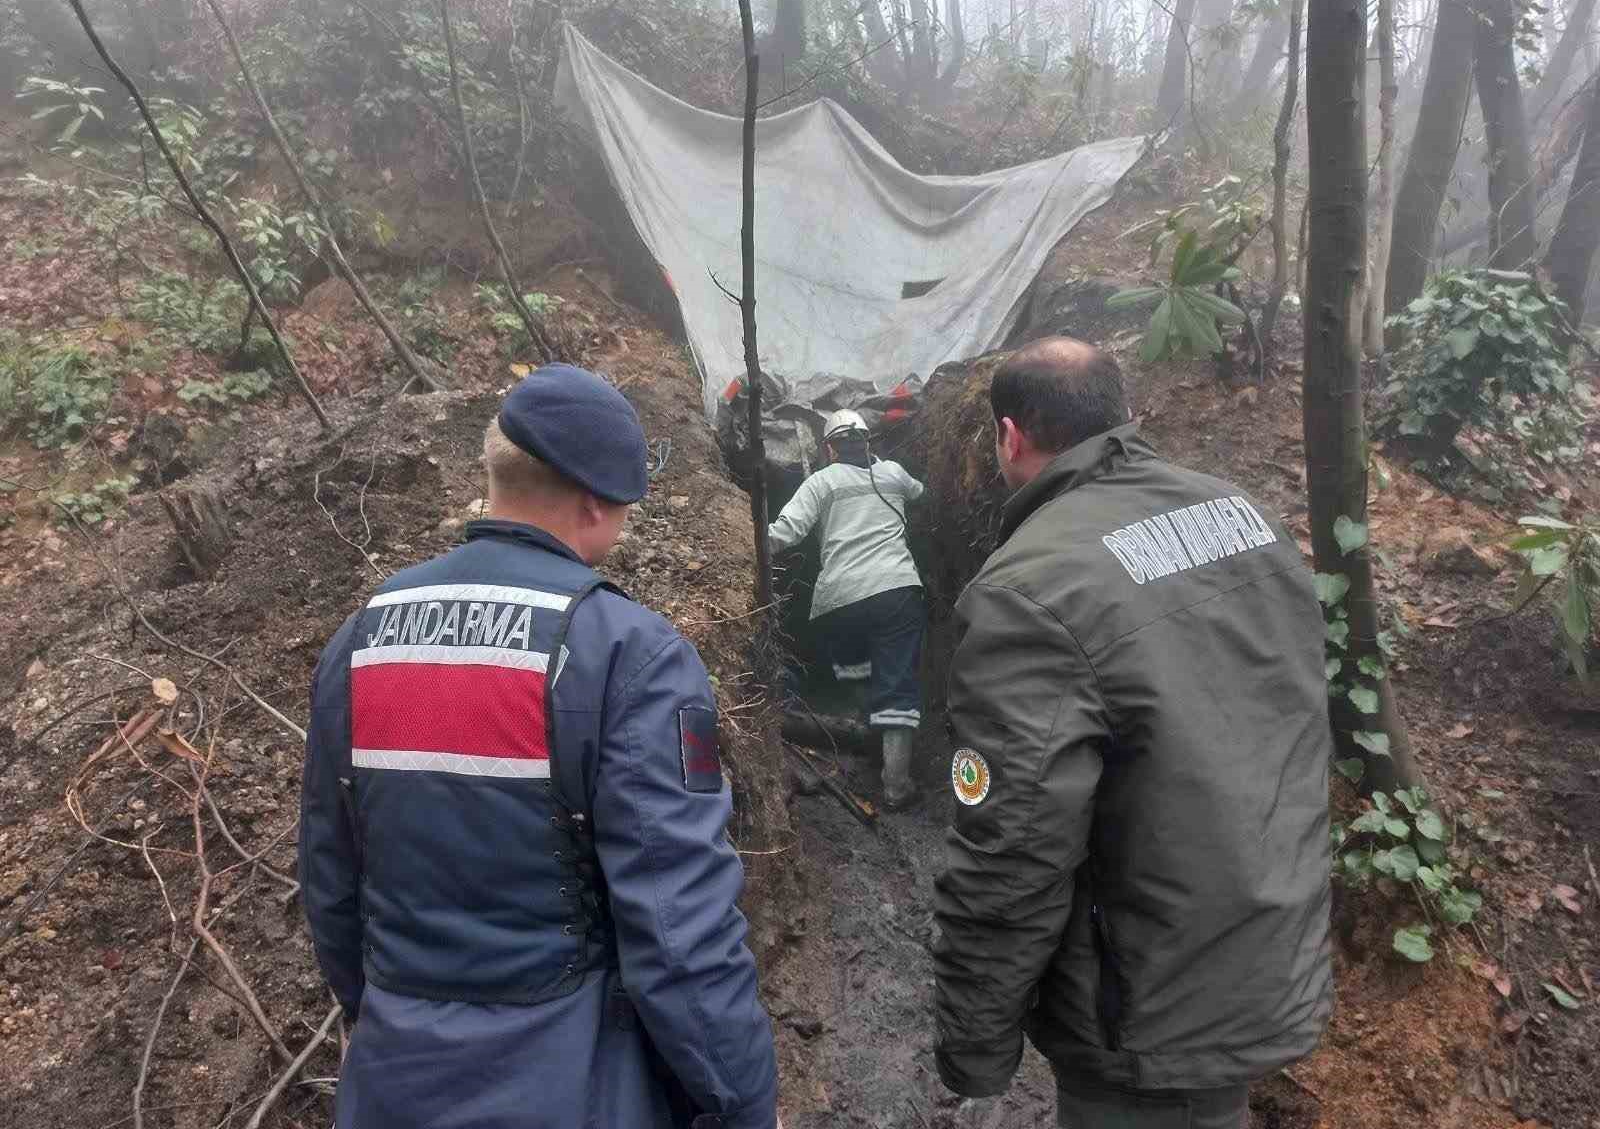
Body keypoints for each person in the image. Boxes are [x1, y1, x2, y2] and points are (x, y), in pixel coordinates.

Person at [299, 364, 779, 1129]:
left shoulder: (362, 639)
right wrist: (744, 1100)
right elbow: (678, 929)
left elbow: (331, 877)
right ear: (596, 498)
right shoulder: (631, 654)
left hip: (393, 1083)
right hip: (572, 1083)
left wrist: (379, 1015)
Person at [932, 338, 1332, 1128]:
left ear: (1010, 437)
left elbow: (1010, 852)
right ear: (1124, 415)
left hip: (1144, 1012)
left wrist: (975, 1053)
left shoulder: (1027, 592)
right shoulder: (1241, 516)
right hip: (1266, 946)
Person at [768, 409, 927, 809]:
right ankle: (896, 782)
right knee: (897, 679)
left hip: (839, 601)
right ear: (867, 440)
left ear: (829, 447)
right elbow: (921, 494)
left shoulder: (820, 481)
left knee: (857, 668)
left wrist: (746, 540)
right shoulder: (892, 473)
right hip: (895, 590)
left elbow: (784, 533)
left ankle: (869, 729)